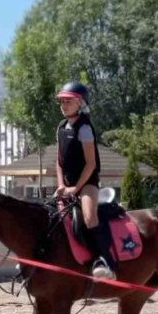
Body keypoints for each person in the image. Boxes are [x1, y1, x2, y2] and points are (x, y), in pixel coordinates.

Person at [54, 81, 117, 280]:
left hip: (87, 183)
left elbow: (90, 164)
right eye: (62, 101)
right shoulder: (61, 127)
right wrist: (61, 186)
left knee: (89, 217)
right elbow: (59, 161)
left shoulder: (85, 128)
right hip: (68, 185)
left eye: (69, 101)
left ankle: (103, 260)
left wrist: (76, 189)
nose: (64, 105)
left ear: (80, 103)